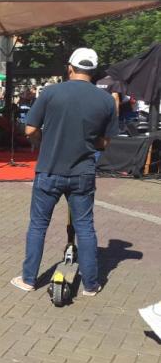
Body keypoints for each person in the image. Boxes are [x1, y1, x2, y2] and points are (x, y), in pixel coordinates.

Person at [11, 48, 118, 297]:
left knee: (38, 225)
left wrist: (43, 140)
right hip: (83, 172)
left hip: (49, 168)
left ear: (70, 67)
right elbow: (105, 142)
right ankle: (91, 284)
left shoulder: (51, 92)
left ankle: (29, 279)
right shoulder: (105, 100)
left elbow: (30, 130)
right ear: (93, 71)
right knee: (85, 227)